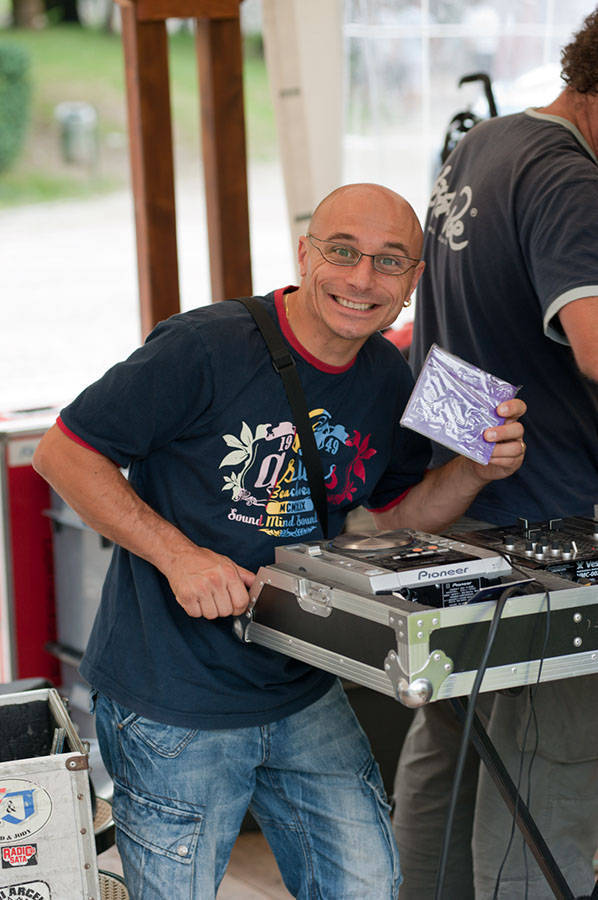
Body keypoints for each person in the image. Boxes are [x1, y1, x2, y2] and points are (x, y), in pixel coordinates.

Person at [33, 183, 526, 900]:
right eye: (343, 252)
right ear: (304, 254)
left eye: (389, 261)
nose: (363, 278)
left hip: (299, 684)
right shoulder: (204, 346)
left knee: (365, 882)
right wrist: (180, 557)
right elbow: (64, 452)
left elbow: (396, 517)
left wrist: (475, 471)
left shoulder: (387, 376)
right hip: (174, 695)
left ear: (414, 281)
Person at [394, 9, 598, 900]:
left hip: (460, 500)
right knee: (553, 760)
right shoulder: (569, 179)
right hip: (550, 518)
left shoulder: (484, 145)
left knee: (454, 738)